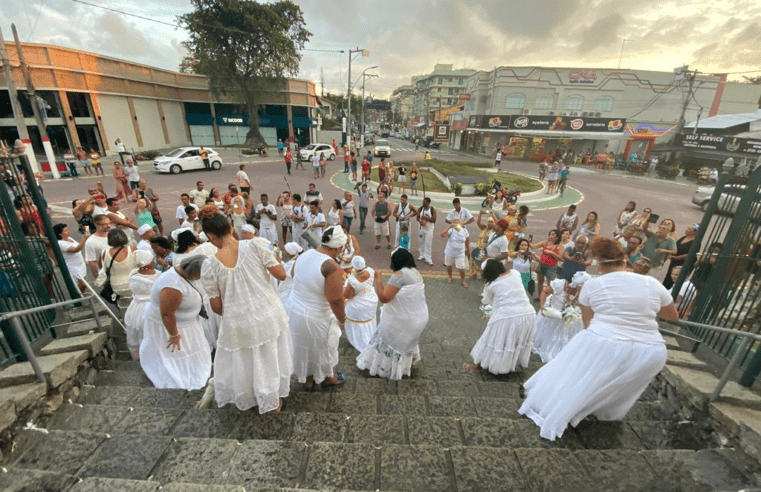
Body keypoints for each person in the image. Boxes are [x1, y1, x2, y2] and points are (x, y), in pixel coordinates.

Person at [519, 237, 679, 441]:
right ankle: (597, 417)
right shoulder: (651, 283)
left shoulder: (593, 285)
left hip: (606, 342)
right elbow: (672, 316)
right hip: (651, 351)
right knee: (617, 388)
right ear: (625, 260)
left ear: (598, 262)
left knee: (578, 377)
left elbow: (588, 323)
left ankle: (573, 412)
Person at [198, 207, 291, 413]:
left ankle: (255, 396)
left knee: (247, 362)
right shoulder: (257, 245)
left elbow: (216, 306)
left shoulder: (210, 265)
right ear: (231, 228)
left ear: (210, 237)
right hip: (267, 313)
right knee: (269, 358)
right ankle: (272, 400)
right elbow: (281, 275)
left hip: (237, 321)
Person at [287, 226, 348, 389]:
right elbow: (335, 300)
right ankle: (329, 378)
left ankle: (308, 379)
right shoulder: (331, 267)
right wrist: (342, 319)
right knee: (323, 349)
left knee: (304, 347)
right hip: (316, 317)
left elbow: (294, 275)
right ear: (337, 247)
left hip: (294, 310)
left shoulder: (304, 254)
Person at [140, 256, 212, 390]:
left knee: (190, 350)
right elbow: (167, 313)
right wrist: (174, 335)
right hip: (170, 326)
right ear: (194, 272)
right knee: (175, 353)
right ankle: (180, 376)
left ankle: (193, 370)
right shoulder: (173, 285)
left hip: (187, 324)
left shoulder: (185, 275)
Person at [357, 248, 429, 380]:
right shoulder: (415, 272)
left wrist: (378, 279)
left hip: (405, 321)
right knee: (405, 343)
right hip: (419, 318)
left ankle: (385, 369)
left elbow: (384, 298)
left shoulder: (399, 275)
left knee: (386, 338)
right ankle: (403, 367)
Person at [463, 258, 536, 374]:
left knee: (491, 339)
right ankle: (506, 366)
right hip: (528, 313)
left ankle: (479, 365)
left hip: (506, 316)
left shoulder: (491, 284)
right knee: (513, 341)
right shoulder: (515, 273)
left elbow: (486, 301)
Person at [532, 271, 590, 363]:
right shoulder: (559, 284)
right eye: (581, 287)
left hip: (568, 315)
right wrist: (542, 306)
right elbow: (544, 292)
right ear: (575, 284)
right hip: (554, 313)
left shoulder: (582, 291)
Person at [124, 250, 160, 360]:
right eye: (152, 260)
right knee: (152, 331)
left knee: (135, 330)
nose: (154, 261)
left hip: (136, 307)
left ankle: (138, 354)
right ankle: (153, 354)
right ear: (148, 262)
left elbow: (132, 291)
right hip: (153, 306)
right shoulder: (158, 275)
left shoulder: (133, 274)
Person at [343, 256, 378, 352]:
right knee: (369, 321)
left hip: (359, 305)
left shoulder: (352, 280)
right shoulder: (370, 271)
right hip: (370, 300)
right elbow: (372, 282)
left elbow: (347, 295)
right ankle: (370, 336)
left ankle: (359, 341)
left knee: (346, 306)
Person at [663, 223, 700, 289]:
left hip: (683, 264)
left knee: (676, 280)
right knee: (669, 277)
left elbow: (690, 254)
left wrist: (676, 258)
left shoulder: (696, 242)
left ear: (695, 232)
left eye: (689, 229)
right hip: (674, 262)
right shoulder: (684, 237)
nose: (686, 229)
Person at [54, 223, 89, 293]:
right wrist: (84, 239)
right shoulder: (60, 243)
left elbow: (78, 246)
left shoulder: (69, 238)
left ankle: (81, 297)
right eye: (66, 230)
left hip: (80, 264)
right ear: (60, 234)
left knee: (84, 285)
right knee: (81, 284)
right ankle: (78, 298)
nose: (68, 231)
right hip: (73, 267)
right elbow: (75, 250)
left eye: (68, 229)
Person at [531, 229, 563, 299]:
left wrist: (552, 253)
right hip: (542, 265)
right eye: (550, 234)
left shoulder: (559, 246)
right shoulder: (545, 243)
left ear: (557, 237)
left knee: (551, 284)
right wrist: (528, 242)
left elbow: (561, 258)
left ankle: (550, 298)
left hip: (551, 267)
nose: (551, 236)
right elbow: (533, 247)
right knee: (540, 282)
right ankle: (540, 297)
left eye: (553, 234)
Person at [440, 219, 470, 288]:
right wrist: (449, 227)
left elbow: (467, 241)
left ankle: (463, 280)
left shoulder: (465, 231)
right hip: (450, 252)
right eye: (454, 222)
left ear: (461, 223)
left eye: (458, 222)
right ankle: (450, 277)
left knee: (462, 268)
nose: (456, 223)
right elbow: (442, 235)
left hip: (460, 253)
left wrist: (468, 250)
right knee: (449, 265)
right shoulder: (451, 230)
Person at [416, 197, 436, 265]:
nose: (423, 203)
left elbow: (434, 220)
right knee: (421, 242)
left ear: (428, 203)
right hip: (421, 228)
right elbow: (417, 217)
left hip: (429, 230)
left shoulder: (432, 210)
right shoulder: (420, 208)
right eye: (423, 201)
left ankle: (428, 258)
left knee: (428, 244)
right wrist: (420, 221)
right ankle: (421, 255)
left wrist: (426, 218)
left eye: (425, 202)